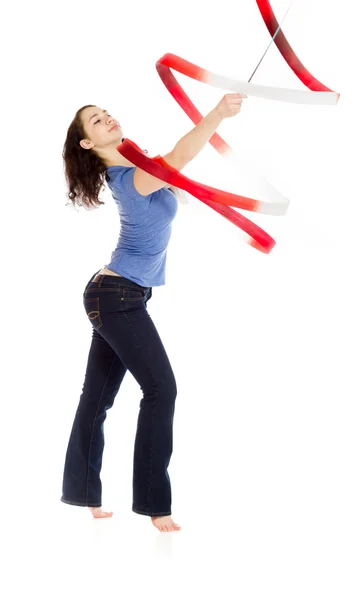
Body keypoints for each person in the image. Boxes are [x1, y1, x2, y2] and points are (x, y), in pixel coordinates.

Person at [60, 92, 245, 533]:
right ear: (88, 143)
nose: (108, 119)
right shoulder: (129, 178)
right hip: (116, 296)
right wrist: (217, 114)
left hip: (119, 295)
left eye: (107, 114)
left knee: (98, 397)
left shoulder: (139, 172)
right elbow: (179, 156)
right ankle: (155, 505)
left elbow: (176, 180)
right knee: (161, 389)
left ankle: (84, 494)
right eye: (97, 122)